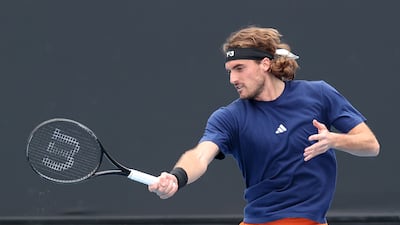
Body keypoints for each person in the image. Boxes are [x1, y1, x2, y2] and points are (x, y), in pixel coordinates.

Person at [148, 26, 380, 225]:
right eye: (230, 71)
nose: (233, 79)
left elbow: (371, 145)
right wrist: (177, 177)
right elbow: (200, 155)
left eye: (240, 68)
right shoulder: (229, 117)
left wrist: (334, 140)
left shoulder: (318, 94)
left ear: (265, 64)